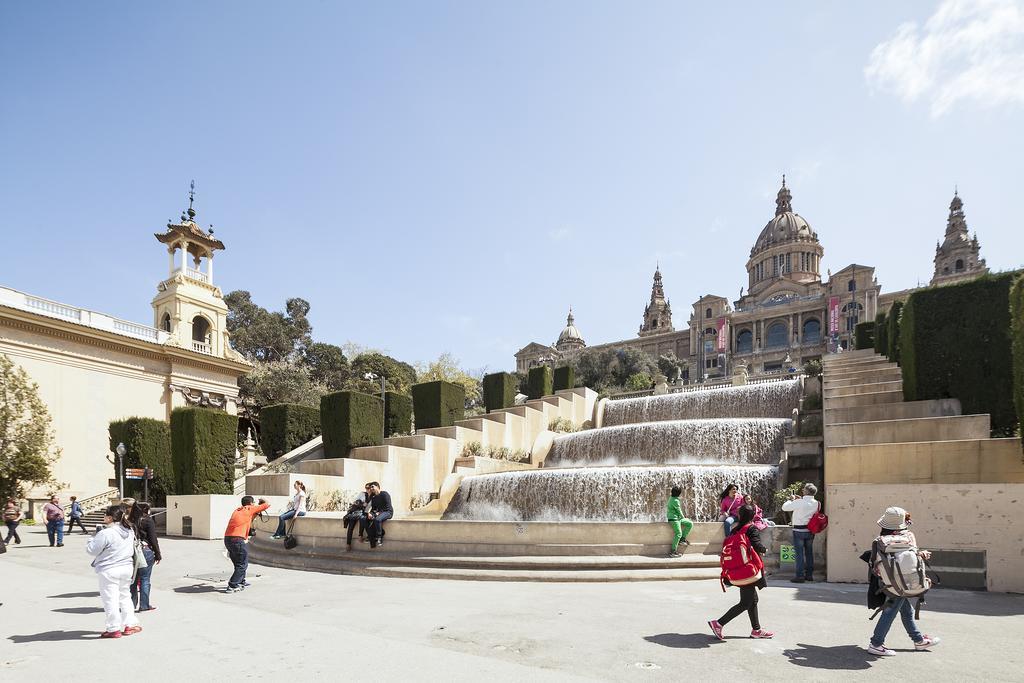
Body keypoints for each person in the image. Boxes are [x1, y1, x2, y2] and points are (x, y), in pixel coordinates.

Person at [862, 506, 940, 656]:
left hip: (886, 582)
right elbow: (911, 557)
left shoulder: (880, 540)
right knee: (891, 610)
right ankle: (876, 643)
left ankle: (918, 640)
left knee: (906, 610)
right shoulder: (908, 536)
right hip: (904, 581)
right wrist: (922, 554)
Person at [708, 505, 774, 640]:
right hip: (748, 569)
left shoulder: (734, 530)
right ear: (753, 515)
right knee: (745, 602)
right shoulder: (751, 528)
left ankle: (756, 630)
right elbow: (757, 545)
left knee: (753, 600)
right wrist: (764, 549)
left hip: (738, 569)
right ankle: (719, 623)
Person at [85, 505, 142, 638]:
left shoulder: (105, 533)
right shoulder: (129, 531)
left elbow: (91, 550)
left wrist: (91, 538)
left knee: (110, 599)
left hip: (109, 569)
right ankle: (130, 624)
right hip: (126, 567)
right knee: (125, 596)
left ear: (110, 517)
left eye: (105, 515)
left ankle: (113, 628)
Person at [223, 495, 270, 592]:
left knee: (238, 562)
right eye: (253, 503)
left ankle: (241, 581)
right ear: (251, 503)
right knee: (242, 563)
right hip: (237, 540)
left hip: (228, 539)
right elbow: (267, 504)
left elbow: (250, 517)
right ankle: (233, 585)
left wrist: (257, 511)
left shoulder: (238, 510)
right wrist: (262, 500)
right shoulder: (249, 509)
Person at [781, 483, 820, 582]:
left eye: (803, 489)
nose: (802, 490)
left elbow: (784, 507)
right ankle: (809, 575)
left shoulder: (799, 502)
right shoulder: (817, 503)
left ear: (806, 491)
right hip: (810, 531)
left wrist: (791, 499)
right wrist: (799, 500)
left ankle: (800, 576)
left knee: (799, 554)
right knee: (809, 553)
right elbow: (806, 504)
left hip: (798, 530)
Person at [129, 502, 161, 612]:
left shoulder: (129, 520)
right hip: (145, 550)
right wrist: (158, 554)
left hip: (132, 551)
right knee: (145, 579)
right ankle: (144, 605)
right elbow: (153, 539)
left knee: (133, 580)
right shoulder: (147, 520)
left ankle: (130, 605)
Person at [666, 486, 693, 558]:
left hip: (677, 518)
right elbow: (679, 510)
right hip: (674, 519)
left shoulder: (672, 498)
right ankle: (673, 551)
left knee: (689, 523)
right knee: (678, 533)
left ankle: (682, 539)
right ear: (678, 493)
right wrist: (683, 517)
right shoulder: (675, 500)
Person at [365, 482, 392, 549]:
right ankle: (372, 540)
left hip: (387, 512)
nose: (371, 489)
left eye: (372, 487)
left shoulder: (385, 494)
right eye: (370, 487)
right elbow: (374, 509)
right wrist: (370, 513)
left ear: (377, 486)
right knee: (365, 519)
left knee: (377, 519)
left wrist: (379, 513)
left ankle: (379, 537)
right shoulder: (374, 497)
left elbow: (388, 507)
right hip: (379, 513)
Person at [343, 485, 371, 549]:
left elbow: (370, 507)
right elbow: (355, 502)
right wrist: (362, 504)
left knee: (362, 519)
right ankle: (348, 544)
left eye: (369, 488)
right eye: (366, 488)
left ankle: (360, 535)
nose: (367, 489)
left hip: (363, 513)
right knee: (351, 526)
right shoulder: (362, 494)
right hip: (355, 511)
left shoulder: (372, 497)